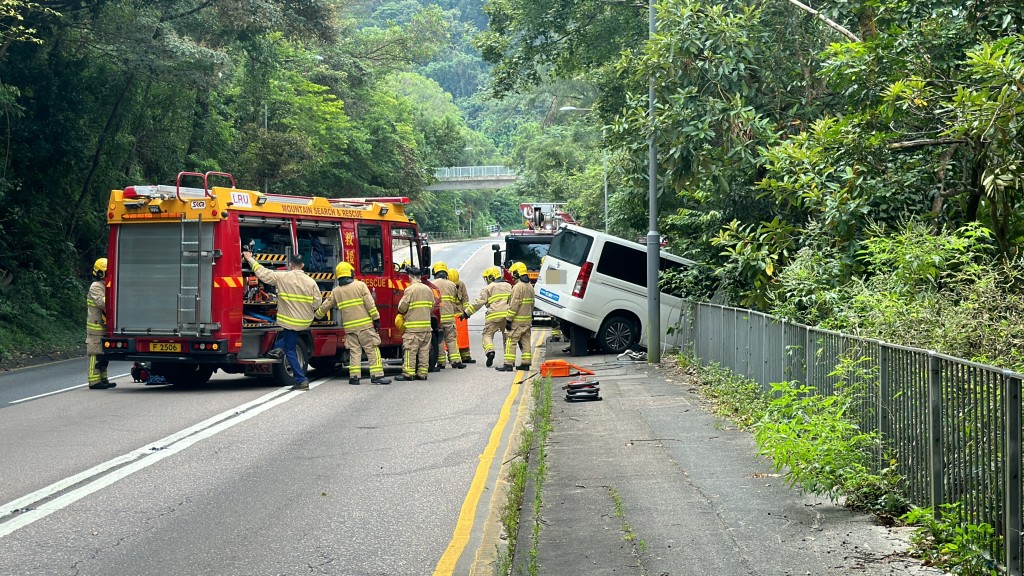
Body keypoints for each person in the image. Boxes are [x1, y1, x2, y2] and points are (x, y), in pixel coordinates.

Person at [243, 250, 321, 390]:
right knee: (287, 341)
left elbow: (263, 273)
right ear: (302, 265)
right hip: (305, 321)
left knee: (290, 349)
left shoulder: (283, 277)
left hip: (290, 321)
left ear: (291, 264)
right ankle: (277, 349)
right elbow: (317, 302)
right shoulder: (311, 282)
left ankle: (301, 379)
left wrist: (250, 259)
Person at [314, 262, 390, 385]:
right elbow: (370, 304)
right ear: (351, 273)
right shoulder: (360, 286)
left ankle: (354, 377)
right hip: (365, 326)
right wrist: (376, 318)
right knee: (372, 349)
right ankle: (377, 376)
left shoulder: (336, 291)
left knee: (354, 351)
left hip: (349, 328)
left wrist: (316, 316)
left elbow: (326, 305)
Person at [462, 266, 512, 368]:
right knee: (507, 338)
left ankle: (490, 351)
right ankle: (509, 360)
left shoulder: (488, 288)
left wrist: (466, 313)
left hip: (493, 316)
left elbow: (478, 303)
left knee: (487, 335)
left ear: (491, 277)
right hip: (507, 316)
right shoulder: (508, 285)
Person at [396, 267, 435, 381]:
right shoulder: (428, 289)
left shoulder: (410, 289)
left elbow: (402, 307)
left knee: (410, 350)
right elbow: (431, 306)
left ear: (410, 277)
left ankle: (408, 373)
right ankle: (422, 374)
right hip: (427, 327)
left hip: (413, 328)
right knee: (424, 351)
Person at [498, 261, 534, 372]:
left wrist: (508, 320)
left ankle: (508, 364)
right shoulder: (530, 286)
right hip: (527, 320)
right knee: (525, 341)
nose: (512, 276)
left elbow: (514, 305)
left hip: (517, 321)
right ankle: (526, 363)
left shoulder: (517, 287)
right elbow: (532, 304)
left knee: (511, 340)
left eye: (513, 273)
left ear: (517, 273)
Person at [86, 257, 115, 389]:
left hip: (105, 326)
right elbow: (103, 303)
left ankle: (103, 379)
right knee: (96, 353)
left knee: (105, 355)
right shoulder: (96, 287)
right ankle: (94, 381)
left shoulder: (106, 285)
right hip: (96, 326)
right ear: (100, 273)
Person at [431, 261, 465, 369]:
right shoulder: (452, 284)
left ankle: (441, 363)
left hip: (438, 318)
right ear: (446, 273)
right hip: (449, 317)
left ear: (435, 272)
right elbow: (455, 300)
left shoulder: (432, 285)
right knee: (451, 339)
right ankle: (455, 361)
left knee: (439, 340)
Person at [449, 268, 474, 363]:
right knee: (451, 337)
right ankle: (452, 355)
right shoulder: (447, 285)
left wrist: (465, 313)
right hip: (450, 315)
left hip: (460, 315)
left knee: (463, 337)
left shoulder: (461, 284)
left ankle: (465, 356)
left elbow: (465, 299)